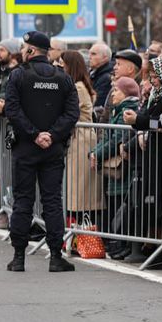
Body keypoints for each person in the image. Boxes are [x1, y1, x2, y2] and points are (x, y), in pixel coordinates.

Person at [3, 32, 80, 273]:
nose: (23, 51)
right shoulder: (63, 78)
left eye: (25, 48)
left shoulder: (18, 75)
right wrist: (52, 135)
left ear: (31, 51)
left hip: (25, 148)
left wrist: (34, 134)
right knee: (52, 202)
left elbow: (12, 110)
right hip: (53, 150)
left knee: (23, 201)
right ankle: (56, 257)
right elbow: (72, 113)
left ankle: (18, 258)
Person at [91, 76, 141, 260]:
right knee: (117, 208)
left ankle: (123, 244)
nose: (113, 94)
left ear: (127, 93)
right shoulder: (118, 110)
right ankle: (119, 244)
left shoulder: (127, 111)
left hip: (124, 170)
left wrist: (97, 154)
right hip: (118, 172)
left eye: (117, 91)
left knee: (122, 208)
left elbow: (115, 140)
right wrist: (94, 152)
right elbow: (107, 139)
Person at [60, 50, 105, 238]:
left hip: (81, 140)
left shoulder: (77, 87)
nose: (60, 66)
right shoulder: (78, 84)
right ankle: (76, 234)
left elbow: (66, 111)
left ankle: (81, 236)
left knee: (80, 190)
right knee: (77, 189)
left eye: (62, 63)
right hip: (79, 138)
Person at [88, 42, 113, 117]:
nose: (89, 57)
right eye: (89, 53)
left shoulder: (106, 77)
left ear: (105, 58)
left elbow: (98, 101)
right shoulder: (92, 73)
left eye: (93, 54)